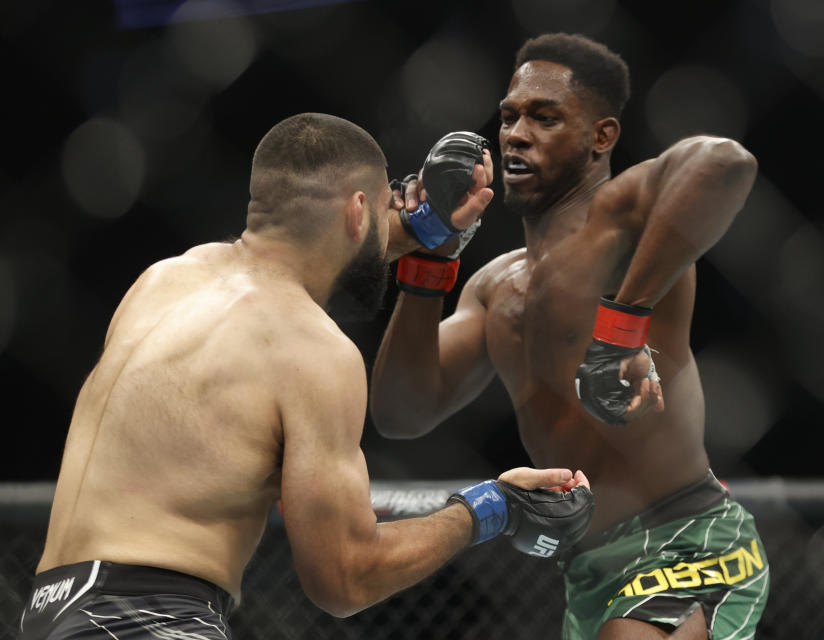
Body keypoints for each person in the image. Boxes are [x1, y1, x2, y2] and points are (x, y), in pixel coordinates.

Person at [18, 113, 595, 640]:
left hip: (49, 609)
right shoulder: (313, 350)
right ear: (356, 211)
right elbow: (345, 578)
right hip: (153, 621)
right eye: (384, 209)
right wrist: (492, 507)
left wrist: (422, 230)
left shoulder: (163, 281)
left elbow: (316, 247)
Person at [371, 34, 769, 639]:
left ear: (600, 138)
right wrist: (430, 260)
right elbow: (403, 412)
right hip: (587, 569)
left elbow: (725, 163)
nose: (516, 133)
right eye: (508, 116)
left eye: (544, 117)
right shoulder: (494, 286)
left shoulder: (625, 221)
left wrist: (620, 327)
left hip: (687, 540)